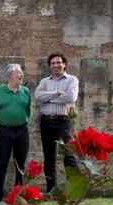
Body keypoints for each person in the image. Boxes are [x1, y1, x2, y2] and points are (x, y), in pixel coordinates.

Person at [34, 52, 79, 192]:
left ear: (64, 64)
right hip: (46, 121)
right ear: (49, 66)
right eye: (53, 63)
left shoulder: (72, 80)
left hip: (64, 122)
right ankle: (51, 191)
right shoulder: (44, 81)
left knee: (69, 157)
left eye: (59, 62)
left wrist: (47, 97)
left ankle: (74, 190)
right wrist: (56, 93)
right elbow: (37, 96)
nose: (56, 65)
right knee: (49, 158)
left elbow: (71, 97)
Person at [0, 64, 32, 201]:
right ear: (9, 76)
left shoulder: (25, 91)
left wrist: (21, 121)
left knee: (20, 165)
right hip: (3, 132)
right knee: (1, 163)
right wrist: (0, 126)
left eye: (21, 72)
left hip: (22, 131)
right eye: (18, 73)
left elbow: (28, 112)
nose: (21, 75)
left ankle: (18, 196)